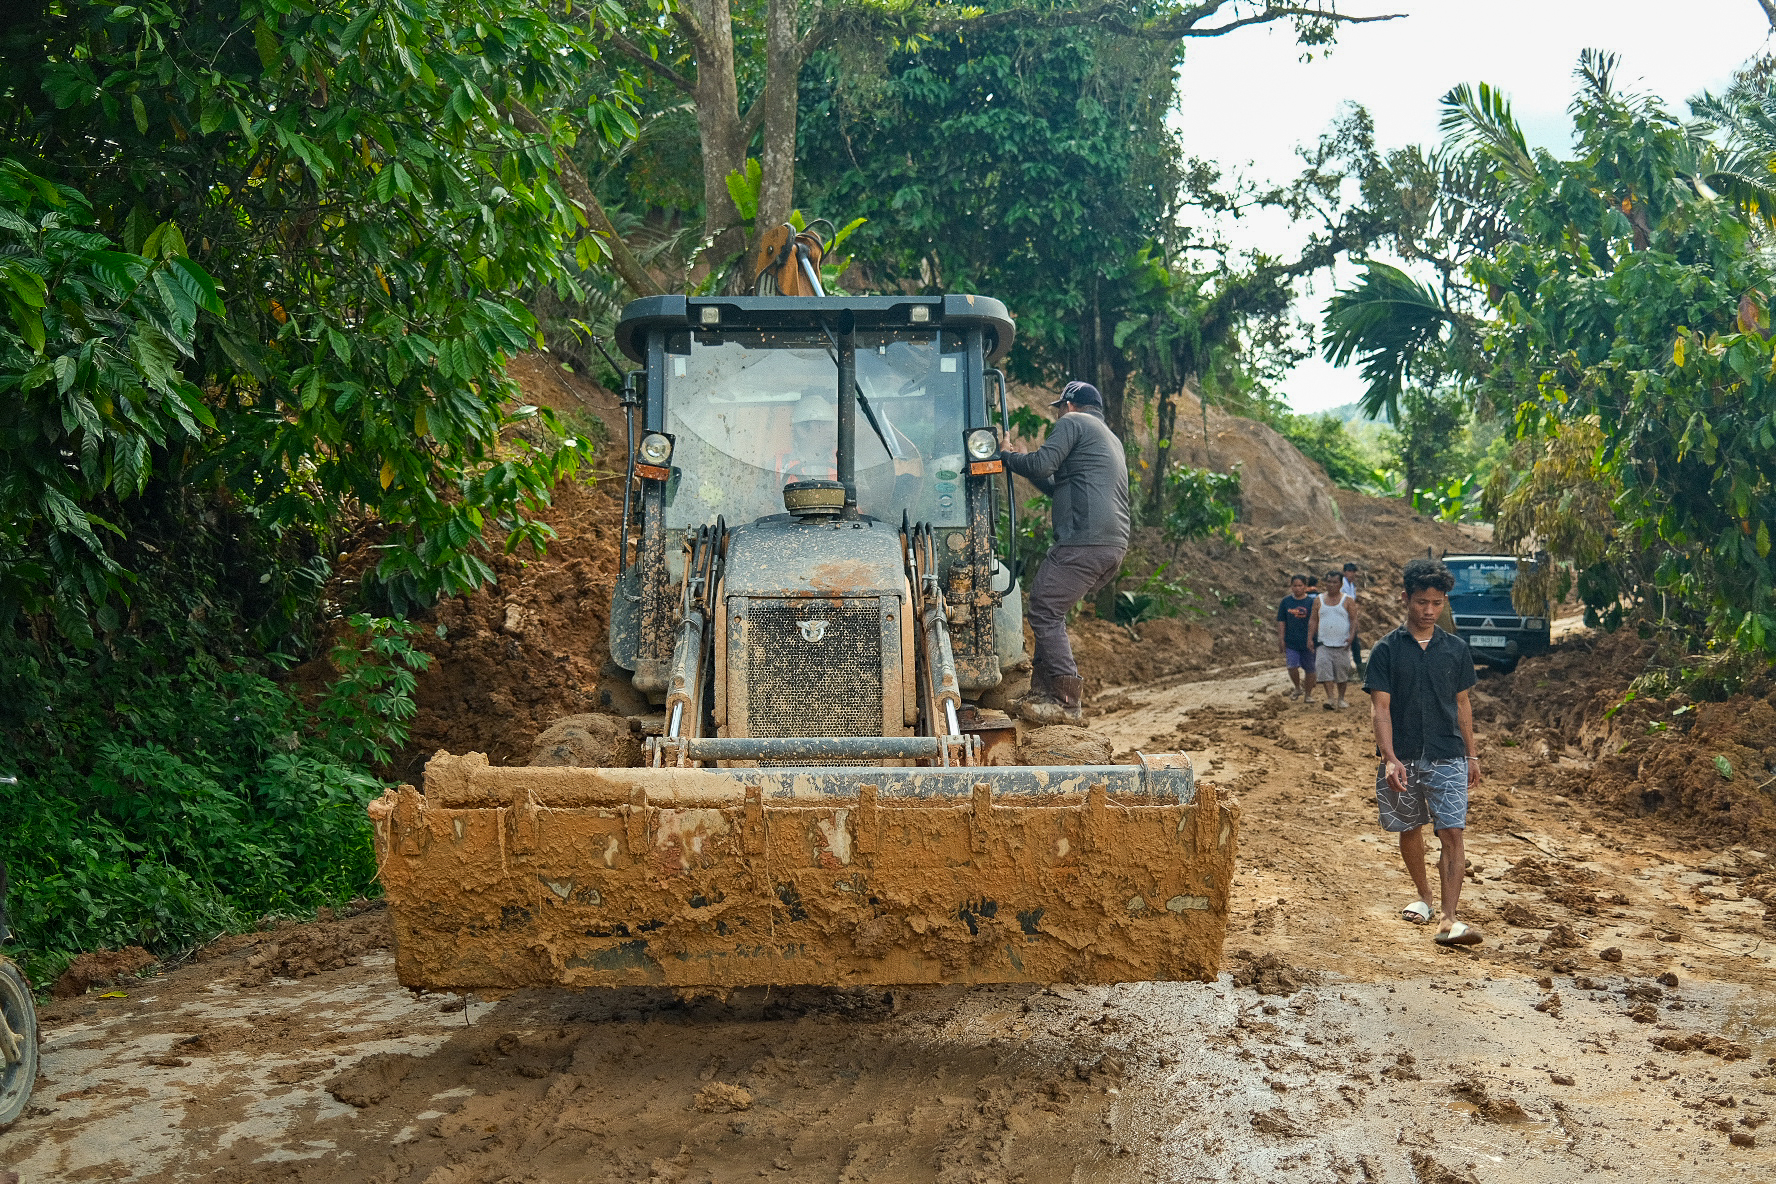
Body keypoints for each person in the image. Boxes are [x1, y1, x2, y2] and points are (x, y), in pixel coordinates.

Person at [1363, 557, 1483, 946]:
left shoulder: (1456, 650)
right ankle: (1425, 897)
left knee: (1451, 830)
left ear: (1445, 602)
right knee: (1409, 828)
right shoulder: (1386, 650)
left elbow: (1462, 705)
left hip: (1448, 753)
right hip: (1404, 756)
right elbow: (1380, 707)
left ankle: (1449, 918)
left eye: (1436, 602)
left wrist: (1472, 755)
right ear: (1405, 599)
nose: (1428, 611)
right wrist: (1389, 758)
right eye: (1420, 602)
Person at [1000, 380, 1130, 725]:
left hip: (1083, 543)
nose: (1058, 413)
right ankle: (1042, 695)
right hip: (1110, 546)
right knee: (1051, 611)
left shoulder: (1073, 423)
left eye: (1059, 407)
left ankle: (1066, 702)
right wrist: (1016, 465)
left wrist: (1008, 455)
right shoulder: (1107, 436)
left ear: (1070, 405)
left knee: (1043, 609)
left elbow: (1042, 464)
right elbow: (1055, 483)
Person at [1309, 568, 1357, 710]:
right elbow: (1313, 620)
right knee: (1324, 671)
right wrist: (1310, 638)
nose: (1331, 585)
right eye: (1328, 582)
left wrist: (1352, 635)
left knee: (1342, 673)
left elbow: (1354, 620)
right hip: (1323, 643)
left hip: (1342, 643)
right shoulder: (1319, 600)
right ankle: (1330, 698)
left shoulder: (1347, 600)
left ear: (1340, 584)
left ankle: (1341, 698)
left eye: (1334, 582)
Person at [1275, 574, 1316, 702]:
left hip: (1308, 641)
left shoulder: (1311, 602)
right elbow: (1282, 621)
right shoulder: (1286, 602)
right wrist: (1281, 638)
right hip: (1291, 641)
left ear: (1305, 587)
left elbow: (1315, 621)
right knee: (1291, 666)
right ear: (1291, 587)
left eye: (1300, 586)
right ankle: (1297, 687)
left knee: (1310, 669)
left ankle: (1308, 694)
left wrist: (1314, 638)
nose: (1297, 588)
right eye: (1295, 586)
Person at [1342, 561, 1364, 667]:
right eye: (1350, 571)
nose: (1352, 574)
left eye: (1353, 572)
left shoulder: (1351, 585)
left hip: (1350, 617)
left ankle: (1358, 665)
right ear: (1345, 572)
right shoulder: (1342, 585)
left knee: (1355, 642)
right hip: (1343, 617)